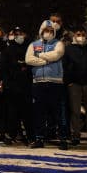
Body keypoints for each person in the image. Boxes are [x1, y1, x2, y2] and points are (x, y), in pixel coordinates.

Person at [26, 20, 69, 149]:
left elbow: (57, 55)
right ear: (41, 31)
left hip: (55, 83)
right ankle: (39, 139)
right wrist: (46, 61)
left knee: (58, 113)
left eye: (51, 31)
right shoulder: (33, 45)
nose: (48, 33)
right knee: (39, 112)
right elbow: (28, 59)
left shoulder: (58, 44)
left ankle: (63, 139)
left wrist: (39, 55)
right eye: (46, 31)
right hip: (38, 83)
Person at [64, 26, 87, 149]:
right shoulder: (69, 49)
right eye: (78, 34)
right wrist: (68, 82)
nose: (81, 37)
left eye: (83, 34)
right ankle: (75, 136)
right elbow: (65, 66)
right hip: (75, 84)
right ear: (74, 36)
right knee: (75, 111)